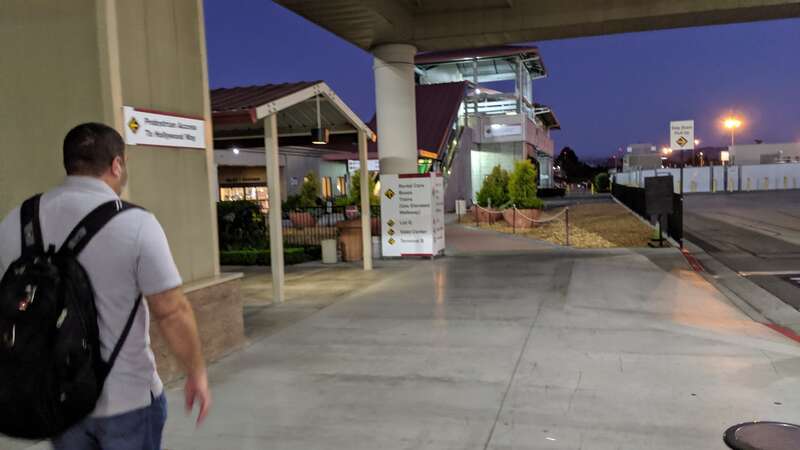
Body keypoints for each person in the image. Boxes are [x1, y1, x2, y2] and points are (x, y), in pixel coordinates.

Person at [0, 123, 211, 449]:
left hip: (57, 400)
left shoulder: (17, 221)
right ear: (116, 164)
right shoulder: (136, 224)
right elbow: (171, 311)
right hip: (127, 400)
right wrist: (196, 372)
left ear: (69, 163)